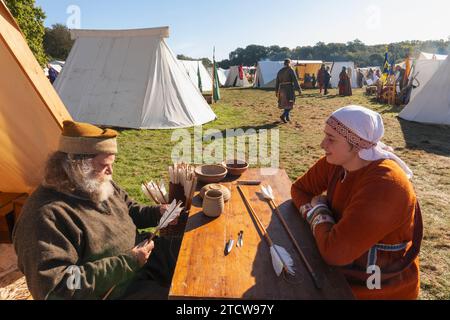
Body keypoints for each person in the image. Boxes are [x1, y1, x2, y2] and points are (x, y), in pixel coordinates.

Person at [13, 121, 178, 300]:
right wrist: (126, 263)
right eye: (103, 165)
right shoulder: (45, 218)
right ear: (76, 166)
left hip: (143, 256)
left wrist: (156, 213)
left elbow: (127, 209)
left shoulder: (94, 182)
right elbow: (57, 287)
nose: (111, 171)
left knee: (192, 255)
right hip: (113, 290)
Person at [291, 105, 422, 300]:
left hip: (377, 287)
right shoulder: (336, 162)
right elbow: (300, 189)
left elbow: (335, 252)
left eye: (331, 139)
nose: (322, 144)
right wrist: (319, 221)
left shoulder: (386, 185)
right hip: (340, 272)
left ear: (356, 144)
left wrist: (319, 211)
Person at [275, 59, 302, 123]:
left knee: (286, 103)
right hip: (288, 89)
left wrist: (276, 91)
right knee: (290, 103)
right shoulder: (290, 70)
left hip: (281, 89)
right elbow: (295, 80)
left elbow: (277, 82)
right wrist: (299, 89)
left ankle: (287, 117)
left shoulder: (280, 71)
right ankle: (283, 116)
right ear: (289, 63)